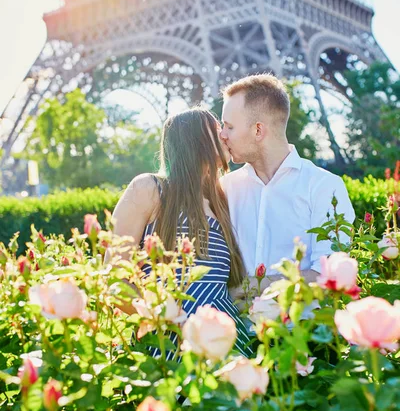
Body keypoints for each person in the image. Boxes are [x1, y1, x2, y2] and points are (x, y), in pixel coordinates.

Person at [109, 107, 252, 357]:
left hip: (226, 346)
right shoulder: (150, 189)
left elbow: (220, 288)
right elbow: (114, 280)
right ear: (196, 138)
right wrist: (171, 320)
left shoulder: (221, 202)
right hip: (168, 346)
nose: (225, 135)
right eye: (218, 130)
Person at [219, 74, 355, 299]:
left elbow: (329, 275)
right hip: (238, 331)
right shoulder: (224, 188)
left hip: (301, 331)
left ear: (258, 130)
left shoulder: (324, 186)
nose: (222, 135)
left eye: (229, 127)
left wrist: (250, 286)